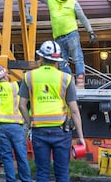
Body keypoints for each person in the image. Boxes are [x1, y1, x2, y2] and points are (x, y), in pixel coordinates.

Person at [18, 40, 86, 182]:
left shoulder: (29, 77)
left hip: (39, 131)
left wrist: (30, 124)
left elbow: (22, 105)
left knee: (42, 173)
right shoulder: (66, 78)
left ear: (41, 58)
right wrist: (80, 136)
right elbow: (74, 110)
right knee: (62, 174)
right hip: (61, 131)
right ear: (58, 61)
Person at [21, 0, 97, 88]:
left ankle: (80, 82)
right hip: (58, 37)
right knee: (61, 62)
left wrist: (90, 32)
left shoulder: (73, 3)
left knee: (77, 58)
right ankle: (70, 80)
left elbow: (82, 18)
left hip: (72, 34)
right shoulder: (50, 0)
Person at [0, 56, 31, 182]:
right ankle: (26, 179)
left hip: (0, 127)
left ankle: (11, 180)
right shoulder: (15, 86)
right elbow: (29, 79)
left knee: (7, 157)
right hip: (16, 127)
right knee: (21, 156)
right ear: (5, 76)